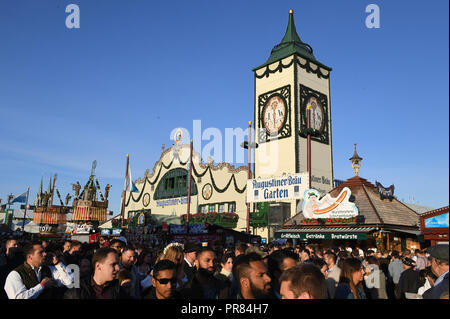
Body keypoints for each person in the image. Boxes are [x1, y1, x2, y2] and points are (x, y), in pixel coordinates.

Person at [4, 242, 74, 299]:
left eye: (45, 251)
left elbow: (69, 281)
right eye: (41, 252)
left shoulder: (48, 269)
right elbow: (19, 297)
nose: (45, 254)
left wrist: (57, 263)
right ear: (30, 257)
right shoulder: (15, 274)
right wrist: (42, 286)